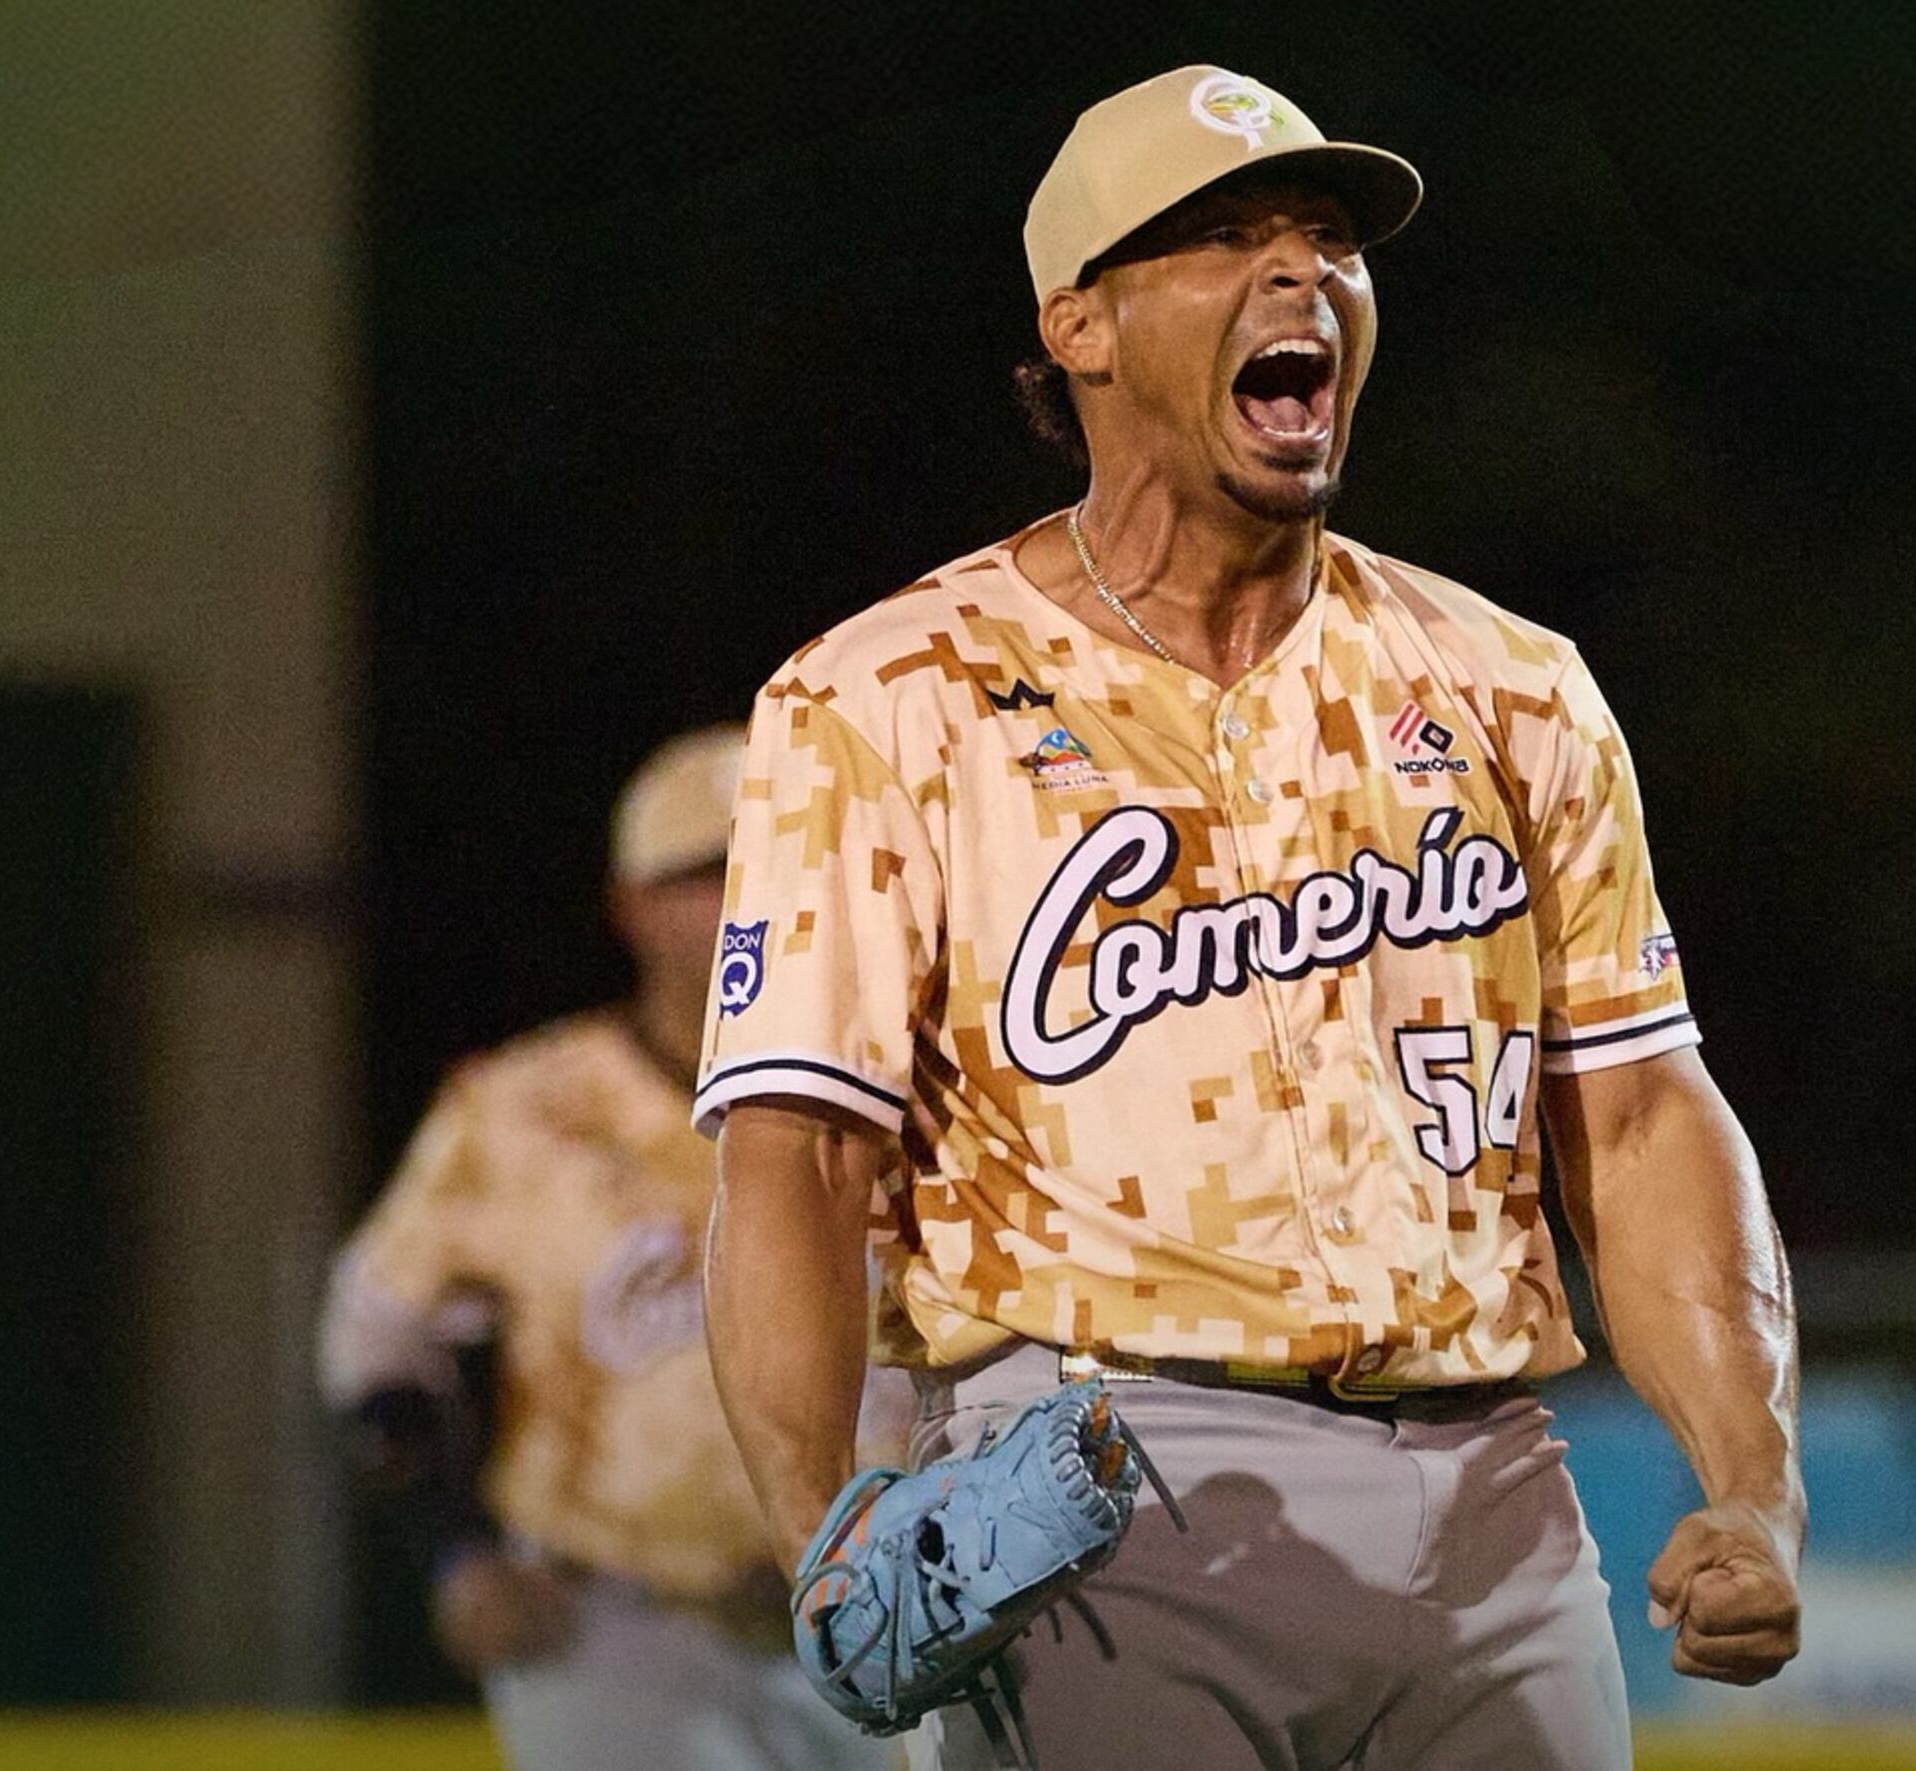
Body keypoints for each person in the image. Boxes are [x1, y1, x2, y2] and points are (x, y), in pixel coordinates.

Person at [698, 66, 1803, 1771]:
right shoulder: (889, 695)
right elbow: (791, 1156)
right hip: (1097, 1502)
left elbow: (1645, 1114)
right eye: (1224, 238)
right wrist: (821, 1520)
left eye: (1327, 240)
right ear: (1079, 322)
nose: (1303, 276)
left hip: (1494, 1496)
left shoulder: (1507, 686)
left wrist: (1753, 1483)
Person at [320, 726, 903, 1771]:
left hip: (893, 1608)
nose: (746, 892)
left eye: (777, 858)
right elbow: (378, 1345)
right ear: (631, 907)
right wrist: (454, 1555)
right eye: (704, 870)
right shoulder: (524, 1112)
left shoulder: (923, 1092)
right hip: (614, 1627)